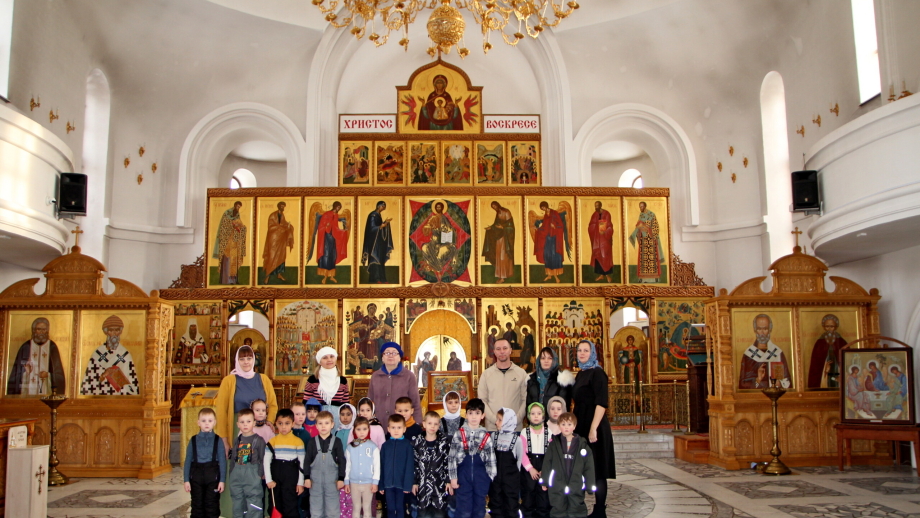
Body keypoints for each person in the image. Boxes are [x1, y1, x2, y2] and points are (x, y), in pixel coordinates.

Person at [572, 341, 615, 518]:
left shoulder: (598, 373)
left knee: (598, 470)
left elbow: (601, 403)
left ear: (592, 353)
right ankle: (579, 508)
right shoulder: (581, 373)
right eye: (579, 350)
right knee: (581, 469)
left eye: (586, 350)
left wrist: (593, 428)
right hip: (581, 426)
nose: (582, 353)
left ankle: (600, 511)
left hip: (594, 427)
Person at [541, 412, 596, 518]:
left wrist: (590, 485)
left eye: (569, 424)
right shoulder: (554, 444)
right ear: (559, 426)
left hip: (576, 482)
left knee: (576, 506)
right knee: (558, 506)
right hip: (558, 483)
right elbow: (547, 462)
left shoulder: (582, 445)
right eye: (563, 424)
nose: (566, 427)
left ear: (574, 426)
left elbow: (588, 467)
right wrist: (545, 480)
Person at [448, 398, 495, 518]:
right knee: (463, 511)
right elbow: (452, 457)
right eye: (470, 413)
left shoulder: (486, 436)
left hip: (481, 479)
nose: (474, 417)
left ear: (483, 415)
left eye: (477, 413)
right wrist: (453, 478)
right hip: (463, 478)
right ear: (466, 415)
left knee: (479, 511)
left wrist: (489, 478)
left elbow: (491, 459)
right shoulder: (459, 434)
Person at [81, 314, 139, 395]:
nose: (114, 333)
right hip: (101, 397)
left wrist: (116, 375)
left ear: (120, 331)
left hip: (120, 398)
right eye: (111, 330)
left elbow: (133, 387)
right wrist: (103, 375)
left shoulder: (125, 355)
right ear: (106, 332)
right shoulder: (97, 354)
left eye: (117, 330)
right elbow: (88, 384)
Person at [184, 408, 226, 518]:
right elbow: (188, 461)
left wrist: (222, 481)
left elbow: (222, 461)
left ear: (214, 422)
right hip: (196, 477)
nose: (207, 423)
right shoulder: (193, 440)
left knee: (212, 505)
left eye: (210, 421)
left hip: (212, 476)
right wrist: (186, 480)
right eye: (203, 421)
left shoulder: (218, 440)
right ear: (198, 423)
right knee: (197, 505)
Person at [303, 411, 346, 518]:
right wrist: (306, 477)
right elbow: (307, 461)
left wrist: (341, 478)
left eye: (326, 423)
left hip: (332, 482)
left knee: (332, 511)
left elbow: (342, 461)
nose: (323, 426)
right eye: (320, 423)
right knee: (316, 511)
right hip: (315, 482)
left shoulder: (337, 441)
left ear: (332, 425)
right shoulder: (312, 442)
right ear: (316, 425)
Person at [7, 317, 65, 396]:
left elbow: (59, 376)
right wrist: (26, 372)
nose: (41, 332)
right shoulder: (26, 347)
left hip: (47, 394)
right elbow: (16, 375)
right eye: (39, 329)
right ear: (34, 330)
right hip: (27, 395)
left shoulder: (52, 347)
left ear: (47, 330)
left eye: (44, 329)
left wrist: (48, 375)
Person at [478, 339, 528, 431]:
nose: (502, 351)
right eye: (498, 349)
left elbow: (525, 399)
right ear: (494, 352)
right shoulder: (486, 375)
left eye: (505, 348)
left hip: (515, 428)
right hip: (493, 428)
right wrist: (496, 420)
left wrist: (516, 420)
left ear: (510, 350)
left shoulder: (521, 373)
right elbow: (482, 400)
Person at [368, 342, 423, 424]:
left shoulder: (409, 376)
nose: (390, 356)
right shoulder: (375, 376)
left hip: (401, 425)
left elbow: (415, 403)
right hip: (379, 424)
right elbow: (369, 402)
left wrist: (417, 424)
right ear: (382, 357)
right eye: (387, 353)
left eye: (394, 353)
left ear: (399, 357)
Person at [265, 409, 306, 518]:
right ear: (276, 423)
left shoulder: (298, 442)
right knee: (275, 505)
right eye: (280, 423)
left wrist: (300, 483)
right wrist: (269, 480)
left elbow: (302, 464)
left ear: (293, 423)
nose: (283, 427)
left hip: (291, 476)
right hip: (275, 477)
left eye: (287, 423)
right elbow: (266, 461)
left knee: (290, 505)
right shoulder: (272, 441)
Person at [413, 411, 451, 518]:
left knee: (439, 514)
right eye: (430, 423)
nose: (432, 426)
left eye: (435, 424)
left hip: (439, 485)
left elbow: (447, 463)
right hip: (422, 486)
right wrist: (414, 482)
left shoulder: (444, 442)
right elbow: (414, 464)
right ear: (424, 424)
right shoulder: (417, 442)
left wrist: (448, 481)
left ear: (439, 425)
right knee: (423, 514)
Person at [228, 409, 266, 518]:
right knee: (237, 502)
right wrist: (232, 472)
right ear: (238, 424)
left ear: (254, 423)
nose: (245, 424)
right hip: (237, 474)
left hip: (252, 474)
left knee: (254, 502)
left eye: (248, 421)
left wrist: (259, 474)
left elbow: (263, 458)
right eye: (242, 422)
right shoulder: (237, 440)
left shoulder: (259, 440)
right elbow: (233, 458)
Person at [739, 314, 792, 389]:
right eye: (759, 329)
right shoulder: (748, 354)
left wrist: (780, 383)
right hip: (755, 396)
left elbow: (787, 381)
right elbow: (743, 384)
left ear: (770, 329)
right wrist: (758, 380)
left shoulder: (777, 352)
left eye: (765, 329)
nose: (762, 333)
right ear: (755, 330)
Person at [488, 408, 523, 518]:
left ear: (508, 421)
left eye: (499, 420)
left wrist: (514, 477)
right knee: (496, 505)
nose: (496, 422)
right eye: (497, 419)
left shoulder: (517, 440)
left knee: (511, 506)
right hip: (496, 480)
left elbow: (520, 459)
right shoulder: (494, 436)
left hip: (511, 481)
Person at [380, 414, 416, 518]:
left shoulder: (408, 445)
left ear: (404, 429)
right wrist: (381, 484)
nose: (396, 430)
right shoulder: (385, 446)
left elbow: (410, 466)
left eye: (399, 427)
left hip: (402, 484)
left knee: (400, 508)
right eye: (393, 427)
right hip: (388, 484)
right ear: (388, 429)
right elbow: (381, 466)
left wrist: (407, 485)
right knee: (390, 509)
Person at [345, 417, 380, 518]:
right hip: (354, 482)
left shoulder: (373, 446)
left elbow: (377, 465)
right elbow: (348, 465)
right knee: (356, 507)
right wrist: (346, 481)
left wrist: (375, 482)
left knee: (367, 508)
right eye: (358, 429)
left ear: (368, 429)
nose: (361, 432)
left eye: (364, 429)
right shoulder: (350, 447)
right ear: (354, 430)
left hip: (368, 483)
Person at [303, 346, 352, 420]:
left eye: (332, 357)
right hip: (318, 418)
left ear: (335, 359)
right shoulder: (313, 380)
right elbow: (306, 402)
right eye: (325, 358)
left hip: (337, 418)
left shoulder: (342, 380)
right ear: (319, 361)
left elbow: (346, 404)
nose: (329, 360)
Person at [520, 403, 551, 518]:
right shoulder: (524, 432)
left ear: (543, 415)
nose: (536, 416)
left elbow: (551, 454)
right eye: (533, 414)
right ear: (528, 416)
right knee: (528, 497)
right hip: (529, 468)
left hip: (544, 466)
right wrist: (530, 468)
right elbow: (521, 453)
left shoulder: (549, 433)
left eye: (539, 413)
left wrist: (545, 470)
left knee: (543, 498)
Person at [309, 201, 350, 284]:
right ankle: (325, 277)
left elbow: (335, 228)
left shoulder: (336, 215)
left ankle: (331, 276)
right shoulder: (327, 214)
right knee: (326, 256)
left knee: (332, 256)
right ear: (334, 206)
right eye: (338, 207)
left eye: (339, 208)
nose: (338, 209)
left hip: (333, 239)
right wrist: (326, 226)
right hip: (326, 239)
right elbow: (320, 226)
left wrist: (343, 231)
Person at [533, 201, 570, 283]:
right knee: (547, 255)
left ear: (546, 206)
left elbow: (561, 225)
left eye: (543, 207)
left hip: (554, 239)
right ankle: (549, 275)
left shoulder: (554, 213)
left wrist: (555, 226)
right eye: (542, 208)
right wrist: (538, 229)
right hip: (548, 239)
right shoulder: (546, 215)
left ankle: (556, 276)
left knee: (554, 256)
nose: (543, 209)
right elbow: (544, 227)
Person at [526, 347, 574, 411]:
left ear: (554, 360)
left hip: (555, 417)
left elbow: (564, 406)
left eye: (550, 358)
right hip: (536, 416)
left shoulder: (562, 379)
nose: (546, 361)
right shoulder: (532, 379)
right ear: (539, 360)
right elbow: (529, 405)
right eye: (543, 358)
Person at [807, 314, 848, 389]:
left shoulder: (841, 342)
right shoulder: (820, 343)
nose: (829, 329)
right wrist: (824, 367)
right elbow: (816, 363)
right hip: (825, 371)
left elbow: (847, 360)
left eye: (832, 326)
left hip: (837, 368)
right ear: (824, 327)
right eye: (827, 326)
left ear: (836, 327)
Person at [213, 200, 248, 284]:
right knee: (227, 259)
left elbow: (240, 225)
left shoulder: (237, 215)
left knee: (234, 261)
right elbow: (224, 226)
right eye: (238, 206)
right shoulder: (227, 213)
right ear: (235, 205)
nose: (238, 208)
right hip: (227, 241)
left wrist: (242, 228)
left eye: (239, 207)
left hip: (235, 243)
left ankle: (233, 280)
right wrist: (233, 227)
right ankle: (226, 280)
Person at [628, 201, 663, 283]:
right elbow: (638, 226)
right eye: (640, 206)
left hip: (651, 241)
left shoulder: (651, 214)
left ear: (645, 206)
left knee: (653, 260)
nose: (641, 208)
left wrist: (648, 228)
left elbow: (656, 227)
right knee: (643, 260)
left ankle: (655, 277)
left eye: (642, 206)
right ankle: (642, 277)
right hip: (643, 240)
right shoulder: (641, 215)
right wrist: (639, 228)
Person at [481, 201, 515, 284]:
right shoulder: (498, 213)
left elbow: (510, 226)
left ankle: (503, 276)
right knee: (499, 256)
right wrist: (490, 228)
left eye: (495, 206)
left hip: (505, 239)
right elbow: (496, 225)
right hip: (499, 238)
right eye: (493, 207)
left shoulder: (506, 212)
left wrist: (502, 227)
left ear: (498, 205)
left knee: (503, 256)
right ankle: (500, 276)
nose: (494, 208)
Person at [262, 200, 295, 284]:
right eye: (281, 206)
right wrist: (281, 227)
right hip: (273, 240)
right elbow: (271, 227)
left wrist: (289, 226)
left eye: (284, 206)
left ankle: (279, 274)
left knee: (281, 256)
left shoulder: (282, 215)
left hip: (281, 240)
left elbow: (284, 224)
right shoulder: (272, 215)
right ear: (278, 206)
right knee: (272, 257)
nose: (283, 207)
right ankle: (267, 276)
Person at [362, 200, 394, 284]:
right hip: (373, 244)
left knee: (380, 260)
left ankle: (382, 279)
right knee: (375, 259)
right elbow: (371, 228)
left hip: (379, 242)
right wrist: (381, 226)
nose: (383, 209)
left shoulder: (378, 216)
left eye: (384, 208)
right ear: (378, 206)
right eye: (383, 207)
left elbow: (379, 227)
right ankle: (375, 279)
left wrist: (385, 223)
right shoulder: (372, 215)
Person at [336, 404, 357, 518]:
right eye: (342, 414)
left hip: (352, 468)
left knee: (351, 499)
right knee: (341, 499)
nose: (345, 417)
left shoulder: (355, 431)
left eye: (348, 414)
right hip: (339, 468)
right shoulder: (337, 431)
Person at [587, 201, 615, 282]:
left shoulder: (607, 214)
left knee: (605, 256)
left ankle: (608, 275)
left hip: (605, 239)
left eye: (597, 206)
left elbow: (610, 226)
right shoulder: (594, 214)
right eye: (595, 206)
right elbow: (591, 225)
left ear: (600, 205)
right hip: (597, 238)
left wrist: (605, 232)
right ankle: (601, 275)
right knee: (598, 255)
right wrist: (595, 227)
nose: (596, 207)